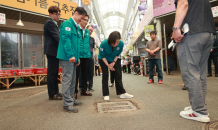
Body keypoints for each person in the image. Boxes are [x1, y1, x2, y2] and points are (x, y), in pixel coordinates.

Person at [172, 0, 216, 122]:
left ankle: (199, 111)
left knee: (190, 72)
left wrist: (176, 28)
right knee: (200, 73)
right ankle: (199, 106)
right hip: (208, 34)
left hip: (192, 34)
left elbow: (183, 4)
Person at [57, 7, 87, 113]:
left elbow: (77, 45)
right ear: (76, 13)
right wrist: (70, 55)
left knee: (73, 79)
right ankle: (67, 103)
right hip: (67, 57)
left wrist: (77, 58)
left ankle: (71, 99)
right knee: (67, 79)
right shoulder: (67, 24)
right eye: (81, 18)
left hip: (73, 58)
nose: (82, 20)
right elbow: (66, 41)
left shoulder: (75, 26)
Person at [98, 31, 133, 101]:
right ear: (110, 41)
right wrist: (108, 65)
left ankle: (122, 93)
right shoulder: (103, 44)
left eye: (117, 42)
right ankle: (106, 94)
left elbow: (118, 54)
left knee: (118, 74)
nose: (116, 44)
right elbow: (103, 56)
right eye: (114, 42)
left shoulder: (121, 44)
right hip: (103, 59)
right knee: (105, 74)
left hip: (113, 59)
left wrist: (113, 62)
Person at [44, 6, 62, 100]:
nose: (58, 16)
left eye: (59, 14)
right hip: (51, 51)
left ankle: (56, 92)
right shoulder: (50, 23)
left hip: (54, 51)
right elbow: (57, 37)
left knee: (55, 73)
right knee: (52, 73)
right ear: (50, 14)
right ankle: (52, 94)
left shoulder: (54, 23)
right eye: (56, 14)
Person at [77, 14, 92, 96]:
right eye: (84, 20)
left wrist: (88, 54)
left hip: (86, 55)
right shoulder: (76, 29)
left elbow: (87, 44)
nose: (86, 22)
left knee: (85, 74)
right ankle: (74, 91)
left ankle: (84, 90)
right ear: (80, 19)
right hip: (78, 55)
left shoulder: (87, 31)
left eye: (87, 20)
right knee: (76, 74)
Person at [87, 25, 95, 92]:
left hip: (91, 58)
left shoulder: (92, 39)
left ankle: (90, 86)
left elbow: (92, 48)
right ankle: (84, 86)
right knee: (85, 72)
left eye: (91, 30)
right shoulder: (83, 37)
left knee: (91, 72)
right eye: (89, 30)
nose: (90, 31)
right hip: (85, 57)